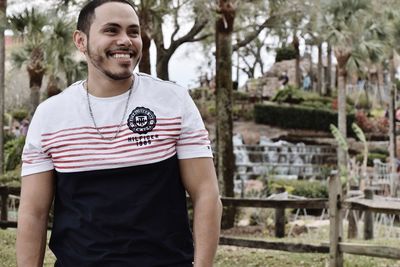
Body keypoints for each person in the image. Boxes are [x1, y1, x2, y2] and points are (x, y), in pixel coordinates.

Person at [16, 1, 222, 266]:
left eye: (133, 32)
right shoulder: (50, 116)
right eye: (111, 30)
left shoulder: (173, 101)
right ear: (81, 41)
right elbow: (33, 212)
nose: (125, 40)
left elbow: (206, 192)